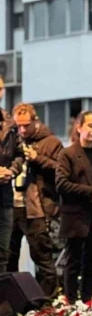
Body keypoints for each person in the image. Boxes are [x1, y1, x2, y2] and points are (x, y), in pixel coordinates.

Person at [7, 104, 63, 296]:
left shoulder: (51, 142)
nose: (22, 130)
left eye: (26, 125)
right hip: (11, 205)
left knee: (42, 256)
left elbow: (61, 170)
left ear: (35, 121)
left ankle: (46, 302)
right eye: (19, 126)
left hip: (36, 208)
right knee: (8, 257)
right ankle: (13, 304)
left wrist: (38, 158)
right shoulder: (12, 140)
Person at [56, 111, 92, 303]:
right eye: (90, 125)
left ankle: (87, 301)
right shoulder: (67, 154)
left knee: (91, 263)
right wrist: (91, 191)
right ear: (79, 127)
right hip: (75, 218)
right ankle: (71, 303)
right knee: (73, 263)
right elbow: (61, 184)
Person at [0, 76, 23, 273]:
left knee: (3, 252)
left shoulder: (10, 123)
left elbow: (19, 155)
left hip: (5, 195)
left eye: (0, 89)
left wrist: (11, 171)